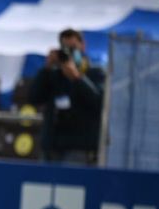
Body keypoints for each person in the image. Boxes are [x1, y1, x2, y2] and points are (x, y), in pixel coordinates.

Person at [29, 28, 106, 164]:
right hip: (52, 144)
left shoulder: (96, 73)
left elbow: (99, 102)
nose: (69, 52)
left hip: (79, 146)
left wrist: (77, 78)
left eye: (72, 48)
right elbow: (33, 98)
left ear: (82, 46)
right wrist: (46, 68)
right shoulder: (54, 75)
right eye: (65, 48)